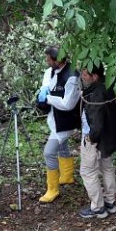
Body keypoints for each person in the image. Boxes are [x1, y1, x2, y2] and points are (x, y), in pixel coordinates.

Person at [78, 63, 116, 218]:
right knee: (107, 168)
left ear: (95, 76)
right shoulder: (111, 86)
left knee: (88, 171)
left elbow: (97, 120)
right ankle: (110, 202)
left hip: (96, 138)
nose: (83, 76)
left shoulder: (97, 93)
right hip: (108, 138)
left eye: (86, 74)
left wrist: (91, 138)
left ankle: (98, 208)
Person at [36, 46, 81, 203]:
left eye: (49, 59)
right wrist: (43, 89)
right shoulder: (52, 70)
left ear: (58, 60)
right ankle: (67, 176)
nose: (47, 62)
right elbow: (47, 81)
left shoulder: (72, 77)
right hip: (55, 117)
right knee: (62, 145)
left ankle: (52, 189)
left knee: (49, 152)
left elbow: (68, 104)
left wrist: (48, 98)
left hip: (67, 119)